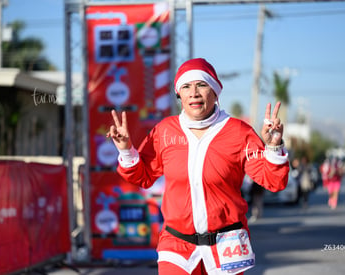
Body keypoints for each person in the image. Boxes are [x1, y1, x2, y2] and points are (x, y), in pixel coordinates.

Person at [106, 58, 290, 274]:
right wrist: (126, 150)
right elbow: (142, 177)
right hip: (177, 246)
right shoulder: (164, 132)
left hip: (226, 246)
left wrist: (274, 146)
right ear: (179, 95)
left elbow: (274, 181)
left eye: (201, 84)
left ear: (215, 92)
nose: (193, 92)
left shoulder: (239, 133)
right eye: (186, 86)